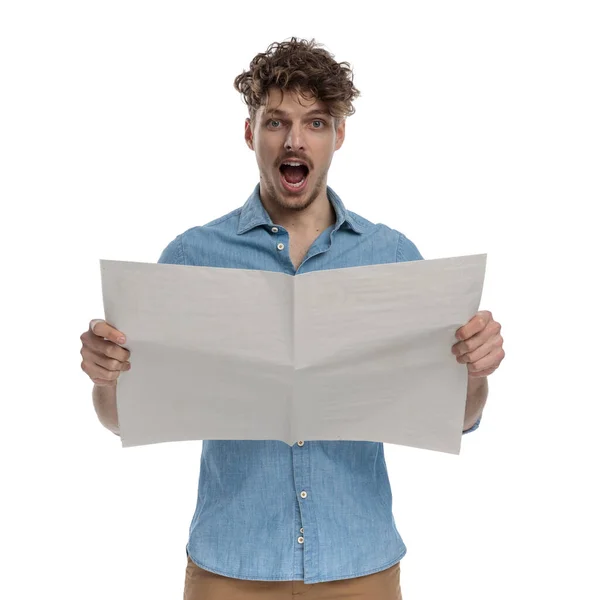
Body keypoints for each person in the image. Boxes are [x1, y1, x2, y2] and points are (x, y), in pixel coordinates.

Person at [80, 37, 505, 600]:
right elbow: (123, 417)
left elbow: (456, 417)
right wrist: (106, 377)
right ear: (250, 132)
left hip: (361, 567)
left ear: (340, 136)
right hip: (228, 570)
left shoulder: (392, 257)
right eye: (276, 121)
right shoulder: (191, 257)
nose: (295, 140)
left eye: (317, 122)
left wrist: (475, 372)